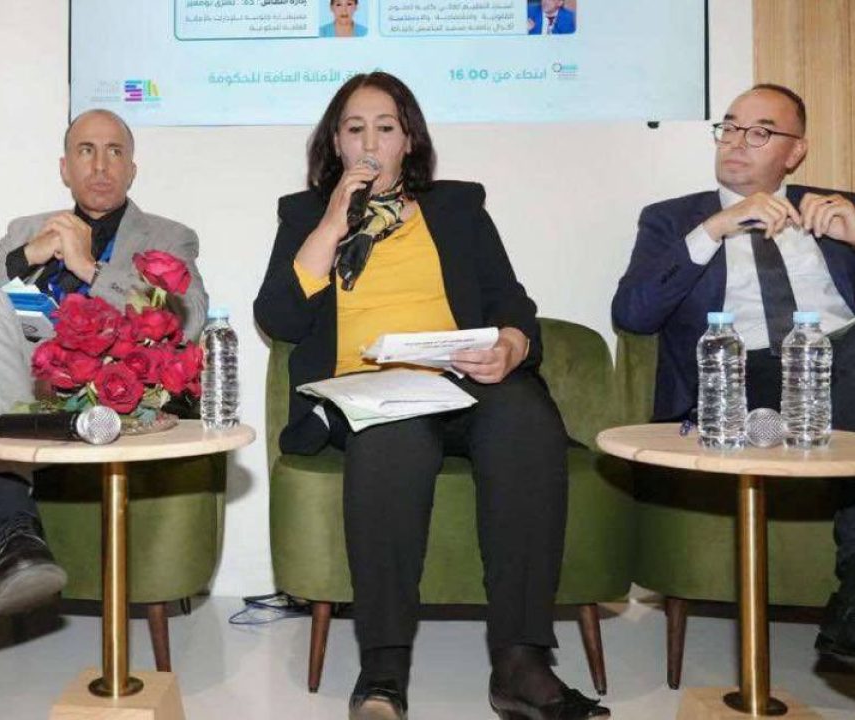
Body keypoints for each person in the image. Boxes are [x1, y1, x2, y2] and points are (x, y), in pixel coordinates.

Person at [254, 72, 607, 720]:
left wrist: (511, 345)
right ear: (335, 143)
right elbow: (279, 317)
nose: (370, 143)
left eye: (385, 128)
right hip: (370, 387)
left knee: (524, 417)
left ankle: (521, 664)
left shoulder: (457, 208)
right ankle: (383, 671)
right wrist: (333, 221)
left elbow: (510, 301)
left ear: (408, 140)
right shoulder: (304, 216)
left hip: (463, 377)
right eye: (355, 128)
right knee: (393, 440)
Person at [0, 109, 208, 720]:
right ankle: (15, 531)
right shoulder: (26, 229)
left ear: (132, 168)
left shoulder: (170, 237)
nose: (100, 164)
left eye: (114, 151)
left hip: (111, 405)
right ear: (65, 167)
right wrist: (26, 256)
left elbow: (185, 320)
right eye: (86, 150)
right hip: (20, 399)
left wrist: (91, 268)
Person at [613, 83, 855, 678]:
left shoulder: (834, 207)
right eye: (730, 126)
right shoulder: (673, 219)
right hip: (739, 379)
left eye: (761, 132)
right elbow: (633, 314)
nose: (737, 141)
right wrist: (713, 229)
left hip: (844, 365)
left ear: (796, 151)